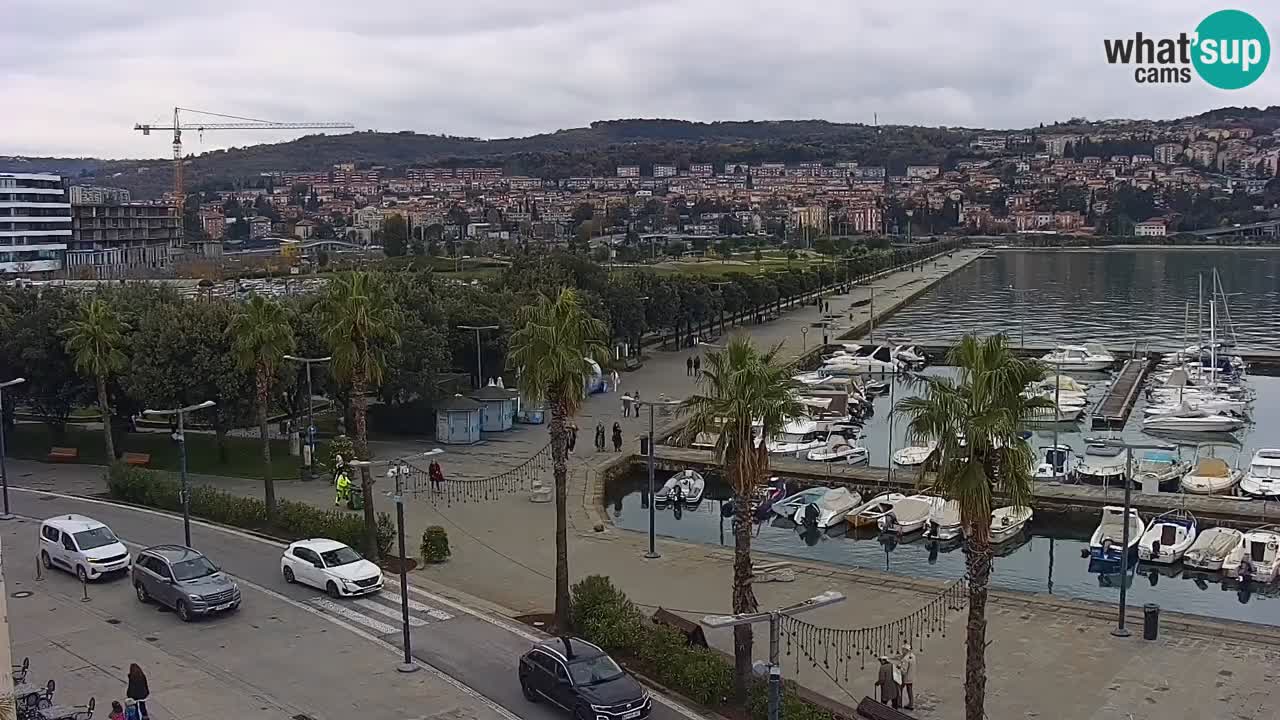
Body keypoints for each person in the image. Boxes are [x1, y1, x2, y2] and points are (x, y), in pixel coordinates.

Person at [899, 643, 916, 710]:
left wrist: (899, 667)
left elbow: (904, 671)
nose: (902, 651)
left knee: (899, 689)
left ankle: (899, 703)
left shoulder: (905, 659)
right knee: (910, 690)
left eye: (903, 650)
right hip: (911, 676)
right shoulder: (913, 656)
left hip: (905, 677)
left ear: (906, 650)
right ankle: (911, 704)